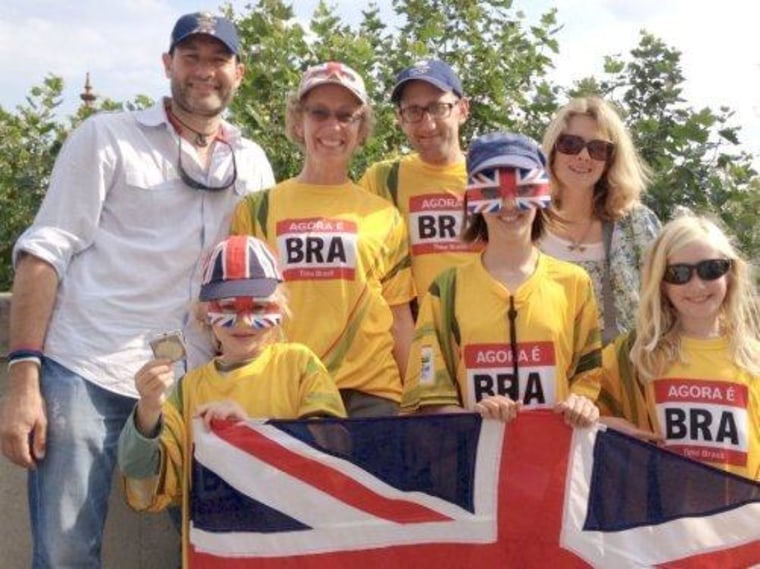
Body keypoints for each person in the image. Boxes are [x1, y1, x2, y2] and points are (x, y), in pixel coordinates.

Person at [0, 12, 274, 567]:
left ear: (238, 72)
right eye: (191, 56)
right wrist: (23, 378)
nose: (204, 71)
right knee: (66, 550)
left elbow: (264, 277)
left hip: (195, 381)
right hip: (88, 368)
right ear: (166, 63)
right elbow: (44, 252)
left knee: (220, 546)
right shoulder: (106, 136)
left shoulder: (251, 161)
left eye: (217, 58)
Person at [118, 235, 346, 564]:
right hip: (220, 554)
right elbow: (143, 479)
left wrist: (251, 433)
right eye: (227, 308)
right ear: (203, 315)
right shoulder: (188, 389)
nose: (243, 321)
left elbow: (335, 449)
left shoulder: (299, 364)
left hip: (296, 550)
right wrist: (148, 411)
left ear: (280, 310)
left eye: (257, 307)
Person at [231, 62, 416, 417]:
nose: (333, 127)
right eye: (319, 113)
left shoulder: (384, 215)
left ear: (362, 130)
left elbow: (400, 319)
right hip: (285, 389)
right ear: (298, 122)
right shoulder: (257, 209)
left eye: (347, 116)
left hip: (370, 396)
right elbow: (239, 310)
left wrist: (414, 403)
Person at [402, 132, 601, 427]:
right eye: (493, 191)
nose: (509, 204)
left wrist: (582, 402)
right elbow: (428, 399)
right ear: (473, 199)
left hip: (553, 460)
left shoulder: (574, 283)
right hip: (475, 461)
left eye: (523, 189)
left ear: (541, 193)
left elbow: (590, 378)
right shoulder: (446, 289)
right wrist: (476, 417)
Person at [599, 214, 759, 480]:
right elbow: (571, 414)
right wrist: (613, 427)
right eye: (679, 273)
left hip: (737, 518)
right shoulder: (632, 356)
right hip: (658, 518)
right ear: (661, 284)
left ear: (730, 274)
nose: (697, 285)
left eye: (711, 269)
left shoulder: (753, 360)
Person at [540, 96, 661, 344]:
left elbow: (670, 302)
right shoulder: (526, 222)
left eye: (598, 148)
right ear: (552, 150)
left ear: (611, 160)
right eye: (571, 144)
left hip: (622, 378)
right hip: (547, 375)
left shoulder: (635, 224)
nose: (584, 156)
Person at [359, 59, 481, 301]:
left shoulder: (489, 176)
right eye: (414, 111)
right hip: (411, 331)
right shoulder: (382, 180)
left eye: (438, 107)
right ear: (401, 119)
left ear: (463, 110)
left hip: (484, 327)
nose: (428, 123)